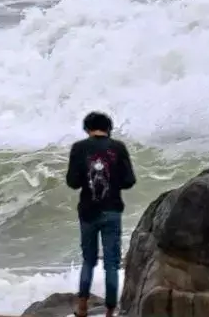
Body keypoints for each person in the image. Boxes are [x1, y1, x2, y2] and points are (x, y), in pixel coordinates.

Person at [66, 111, 136, 317]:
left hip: (88, 212)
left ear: (87, 129)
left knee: (88, 261)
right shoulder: (118, 148)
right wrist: (114, 181)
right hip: (112, 210)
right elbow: (129, 180)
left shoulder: (79, 148)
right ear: (108, 128)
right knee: (111, 264)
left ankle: (82, 307)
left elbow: (72, 182)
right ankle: (110, 311)